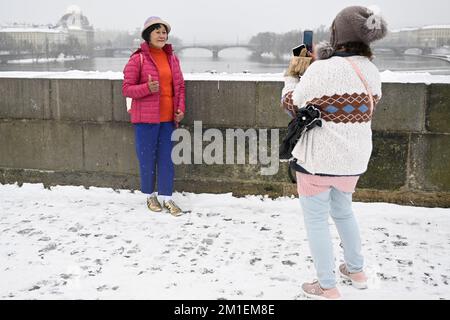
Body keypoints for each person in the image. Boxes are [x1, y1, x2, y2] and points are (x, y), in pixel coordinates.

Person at [281, 6, 387, 299]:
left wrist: (293, 74)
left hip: (319, 161)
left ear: (336, 33)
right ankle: (356, 270)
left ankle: (327, 286)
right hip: (353, 159)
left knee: (316, 221)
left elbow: (293, 104)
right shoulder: (371, 70)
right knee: (343, 212)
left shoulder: (322, 68)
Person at [122, 16, 186, 216]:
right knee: (147, 159)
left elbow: (180, 87)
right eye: (157, 31)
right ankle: (150, 195)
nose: (162, 35)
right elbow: (127, 89)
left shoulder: (172, 58)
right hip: (146, 120)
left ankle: (167, 198)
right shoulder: (138, 58)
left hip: (168, 119)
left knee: (167, 159)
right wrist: (147, 88)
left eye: (164, 32)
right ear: (148, 35)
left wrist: (180, 108)